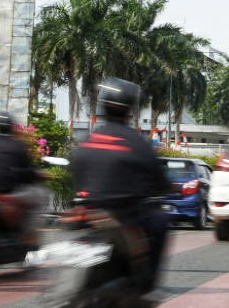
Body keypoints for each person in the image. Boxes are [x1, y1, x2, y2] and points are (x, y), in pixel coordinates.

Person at [70, 78, 168, 295]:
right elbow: (158, 180)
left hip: (89, 211)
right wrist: (165, 189)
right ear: (130, 109)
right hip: (123, 215)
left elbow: (75, 173)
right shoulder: (137, 143)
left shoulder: (88, 139)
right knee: (160, 221)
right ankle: (146, 284)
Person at [0, 111, 46, 249]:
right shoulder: (18, 145)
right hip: (9, 193)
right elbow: (29, 171)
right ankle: (30, 238)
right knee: (40, 195)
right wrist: (39, 175)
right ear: (11, 127)